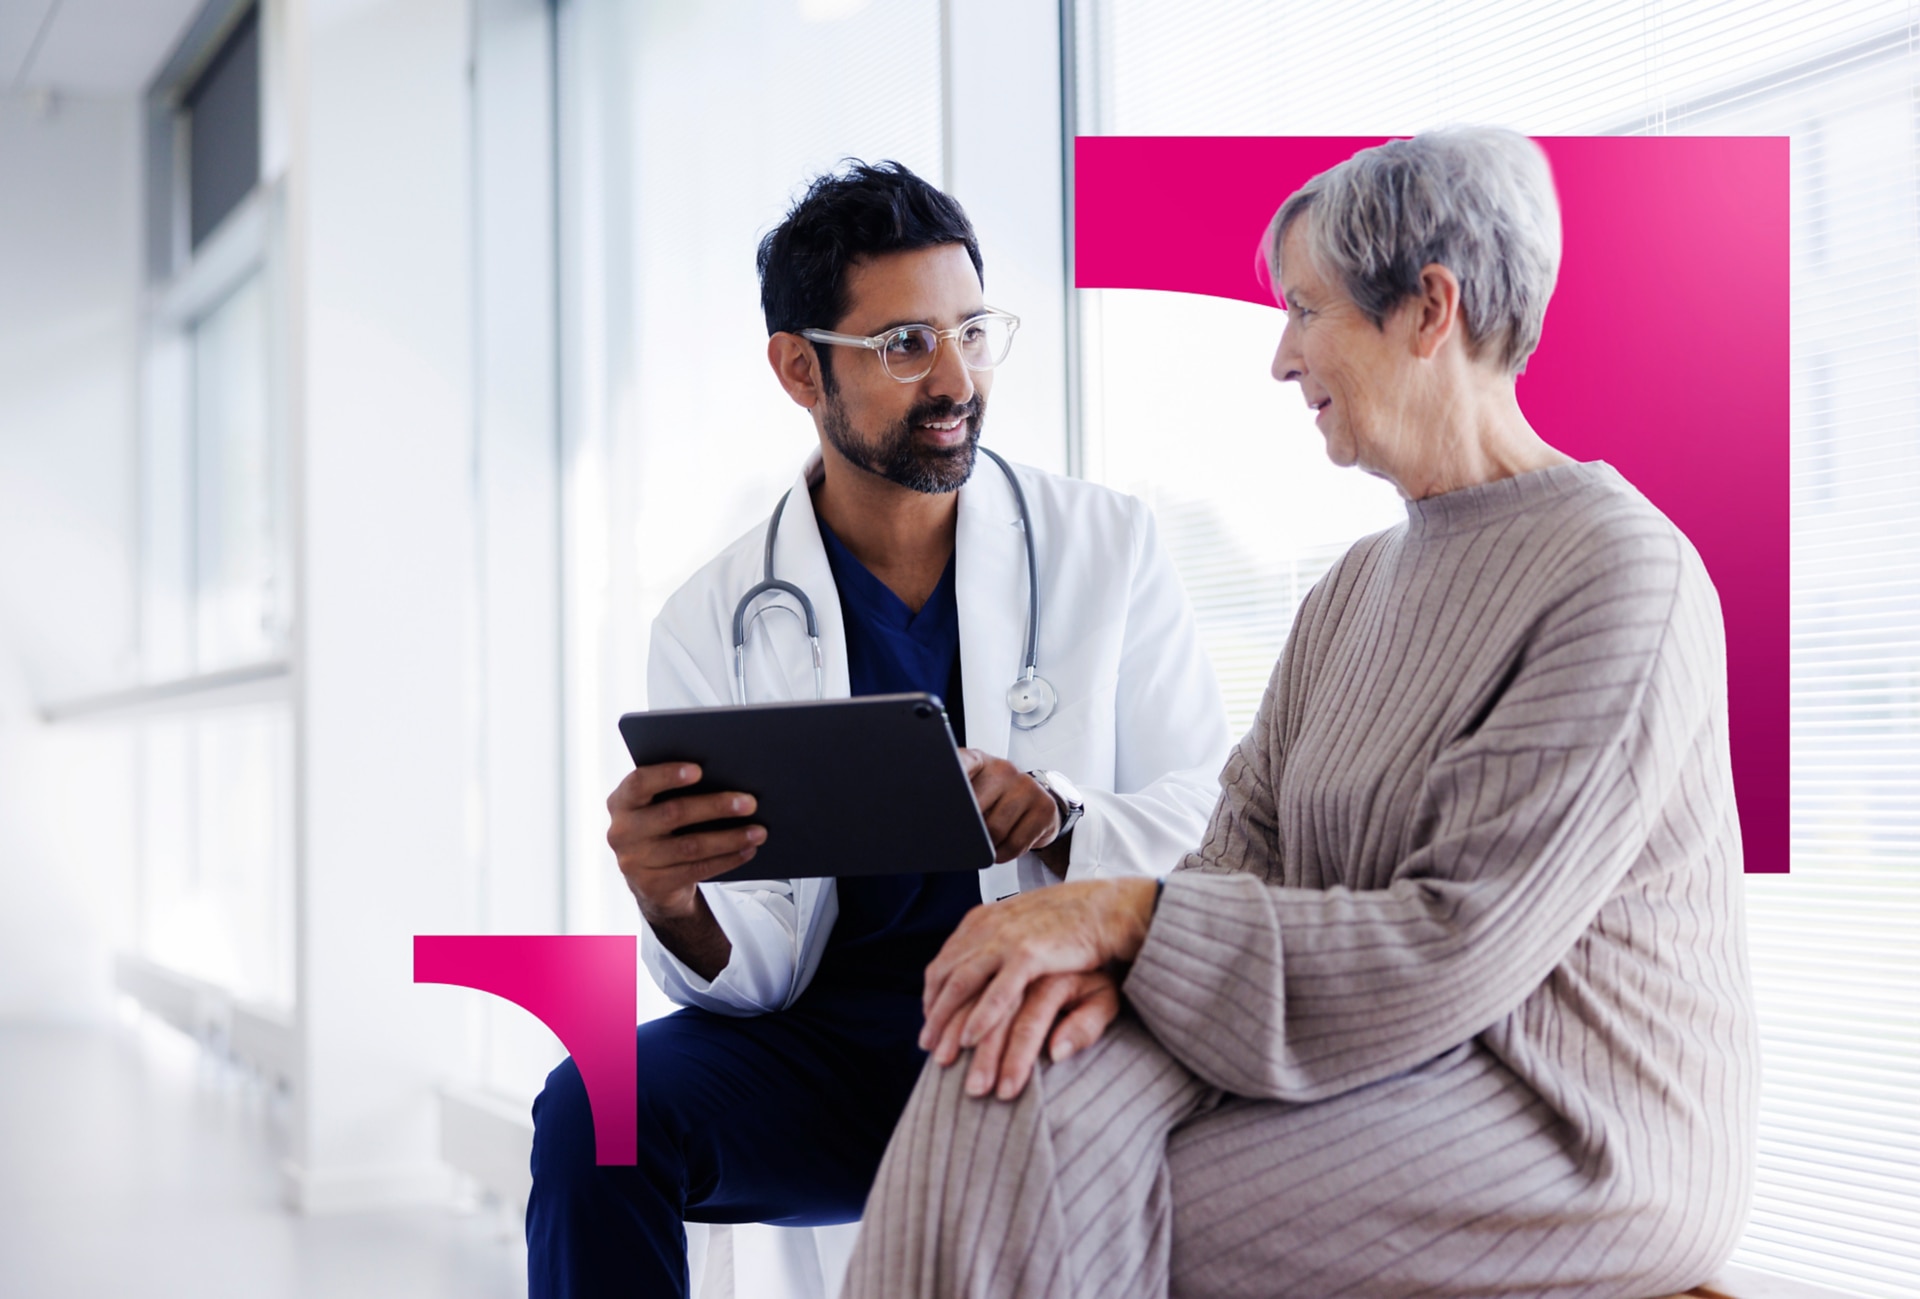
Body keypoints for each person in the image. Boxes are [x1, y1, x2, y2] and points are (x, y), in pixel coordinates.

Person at [842, 128, 1760, 1299]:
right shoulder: (1353, 592)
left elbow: (1454, 943)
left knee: (1081, 1201)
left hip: (1566, 1117)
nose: (1281, 356)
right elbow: (1241, 854)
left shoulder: (1620, 576)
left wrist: (1124, 923)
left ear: (1431, 310)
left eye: (1305, 308)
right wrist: (1098, 961)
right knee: (999, 1072)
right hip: (1364, 1056)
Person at [523, 161, 1230, 1298]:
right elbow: (747, 974)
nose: (955, 376)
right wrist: (672, 903)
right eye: (904, 343)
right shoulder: (713, 620)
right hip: (832, 1053)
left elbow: (1214, 816)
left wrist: (1063, 814)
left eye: (972, 331)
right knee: (596, 1113)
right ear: (802, 369)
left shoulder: (1109, 547)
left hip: (1043, 1017)